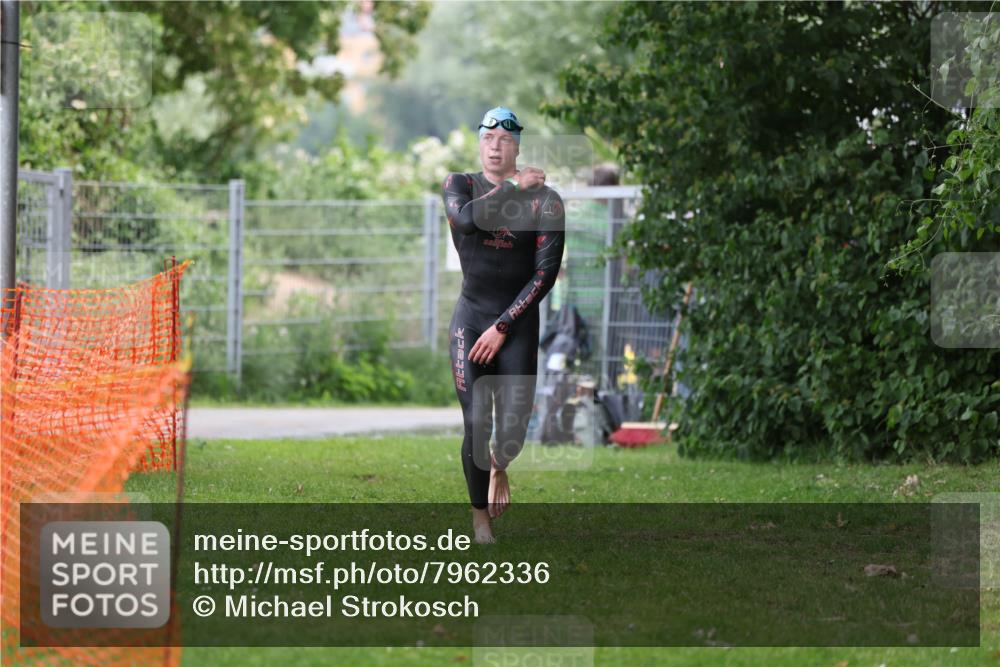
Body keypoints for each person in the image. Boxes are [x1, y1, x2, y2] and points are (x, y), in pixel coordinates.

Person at [442, 106, 566, 544]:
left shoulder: (546, 201)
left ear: (518, 146)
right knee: (477, 420)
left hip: (515, 324)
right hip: (471, 319)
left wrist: (505, 325)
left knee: (511, 431)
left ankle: (501, 463)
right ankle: (480, 520)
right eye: (488, 139)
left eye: (505, 140)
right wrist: (514, 186)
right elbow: (466, 221)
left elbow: (544, 274)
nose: (496, 147)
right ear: (480, 143)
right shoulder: (460, 186)